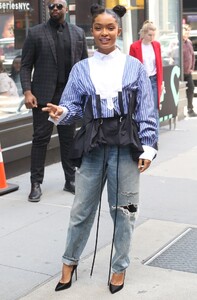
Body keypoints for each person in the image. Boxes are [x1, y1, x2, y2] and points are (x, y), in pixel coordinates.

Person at [43, 4, 158, 294]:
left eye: (110, 27)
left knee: (124, 210)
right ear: (91, 31)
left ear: (118, 30)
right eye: (98, 28)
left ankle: (119, 267)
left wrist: (148, 148)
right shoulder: (81, 69)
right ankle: (69, 262)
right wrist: (61, 112)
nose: (104, 33)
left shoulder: (135, 67)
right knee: (81, 209)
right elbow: (73, 108)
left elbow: (147, 111)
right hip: (92, 144)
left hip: (126, 145)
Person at [20, 0, 88, 202]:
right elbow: (25, 66)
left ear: (66, 9)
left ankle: (70, 180)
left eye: (59, 6)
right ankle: (35, 183)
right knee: (40, 140)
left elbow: (84, 65)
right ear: (48, 10)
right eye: (52, 7)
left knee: (68, 140)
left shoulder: (77, 33)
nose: (55, 9)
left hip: (68, 97)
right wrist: (27, 91)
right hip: (42, 97)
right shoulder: (35, 33)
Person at [129, 21, 163, 137]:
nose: (152, 37)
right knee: (141, 107)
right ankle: (142, 134)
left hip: (153, 80)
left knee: (154, 109)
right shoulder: (135, 46)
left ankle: (154, 136)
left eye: (154, 35)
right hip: (141, 80)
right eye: (149, 35)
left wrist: (161, 82)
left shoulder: (157, 45)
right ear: (143, 34)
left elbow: (159, 65)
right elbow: (132, 66)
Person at [182, 24, 197, 117]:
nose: (187, 33)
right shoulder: (177, 42)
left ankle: (190, 109)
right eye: (185, 31)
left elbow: (192, 56)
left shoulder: (189, 42)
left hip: (188, 72)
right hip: (180, 72)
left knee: (191, 88)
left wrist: (192, 67)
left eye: (188, 32)